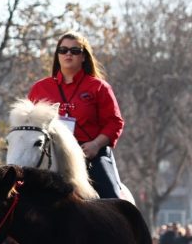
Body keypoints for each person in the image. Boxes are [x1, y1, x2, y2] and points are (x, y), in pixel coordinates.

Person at [27, 32, 126, 199]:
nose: (68, 54)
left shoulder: (99, 87)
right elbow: (28, 123)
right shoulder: (40, 88)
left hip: (90, 154)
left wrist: (95, 144)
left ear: (84, 56)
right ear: (57, 54)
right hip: (51, 155)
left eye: (74, 51)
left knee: (112, 198)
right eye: (63, 50)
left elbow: (114, 122)